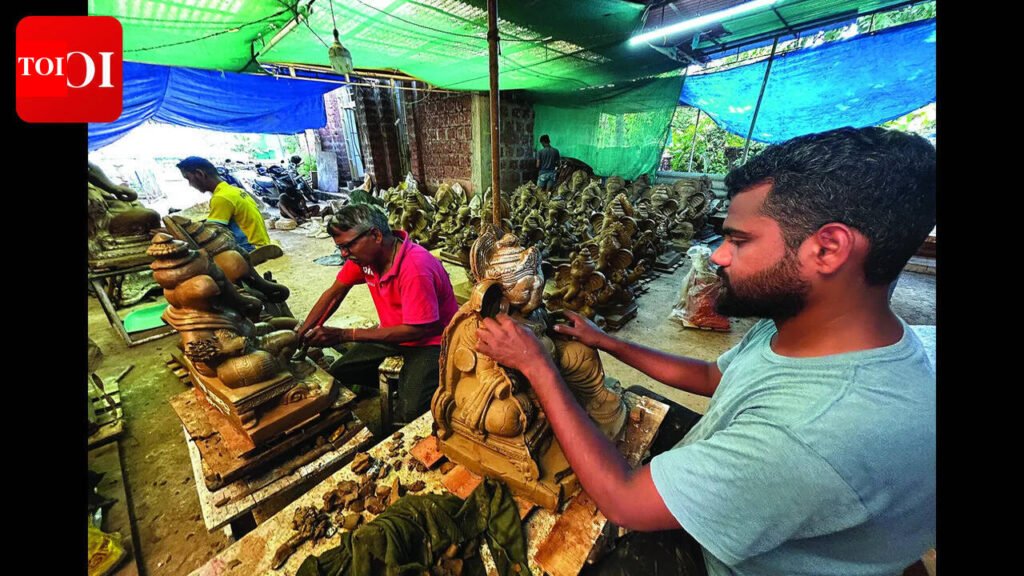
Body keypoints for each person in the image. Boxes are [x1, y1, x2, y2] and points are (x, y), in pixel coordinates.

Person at [475, 126, 936, 576]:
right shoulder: (807, 326)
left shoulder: (813, 435)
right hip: (756, 485)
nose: (717, 256)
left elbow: (625, 500)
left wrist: (538, 367)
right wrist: (607, 340)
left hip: (728, 561)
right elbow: (716, 379)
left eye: (738, 240)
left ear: (828, 248)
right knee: (621, 395)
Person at [297, 204, 459, 423]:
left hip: (432, 342)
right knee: (342, 370)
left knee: (410, 413)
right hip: (394, 334)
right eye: (340, 248)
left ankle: (421, 387)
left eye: (347, 246)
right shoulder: (366, 259)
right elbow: (334, 294)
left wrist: (345, 335)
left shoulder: (415, 268)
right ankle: (405, 386)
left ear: (375, 235)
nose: (344, 254)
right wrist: (304, 329)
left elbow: (417, 330)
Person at [176, 156, 272, 253]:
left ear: (199, 174)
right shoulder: (235, 190)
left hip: (251, 249)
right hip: (263, 243)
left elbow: (212, 233)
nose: (190, 184)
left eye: (188, 178)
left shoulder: (221, 198)